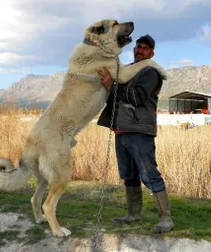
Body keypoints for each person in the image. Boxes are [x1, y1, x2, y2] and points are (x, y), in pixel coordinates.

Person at [97, 35, 174, 233]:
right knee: (128, 176)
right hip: (121, 130)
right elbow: (115, 96)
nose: (140, 50)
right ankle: (133, 215)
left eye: (145, 48)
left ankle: (166, 219)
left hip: (140, 132)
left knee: (149, 175)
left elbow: (137, 97)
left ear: (152, 53)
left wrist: (112, 87)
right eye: (138, 47)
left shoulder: (150, 72)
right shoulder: (128, 71)